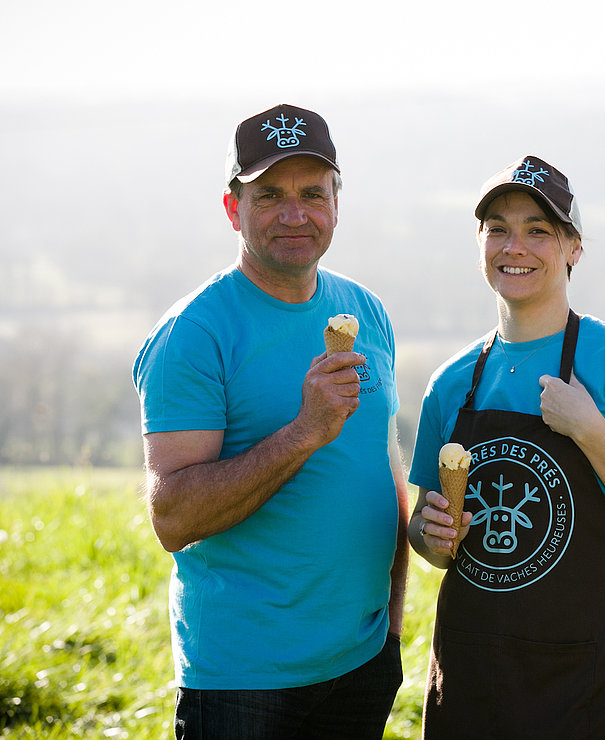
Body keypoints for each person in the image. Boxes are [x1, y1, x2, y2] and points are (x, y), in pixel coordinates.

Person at [132, 103, 408, 738]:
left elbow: (382, 467)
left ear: (337, 202)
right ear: (233, 209)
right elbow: (174, 517)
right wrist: (305, 431)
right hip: (243, 683)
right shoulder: (194, 334)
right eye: (270, 195)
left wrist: (391, 625)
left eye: (313, 192)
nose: (295, 213)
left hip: (361, 661)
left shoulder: (365, 310)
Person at [406, 155, 605, 738]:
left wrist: (591, 431)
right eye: (498, 229)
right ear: (480, 244)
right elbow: (426, 532)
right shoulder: (453, 382)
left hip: (587, 686)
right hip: (471, 681)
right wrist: (431, 535)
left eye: (538, 230)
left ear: (573, 248)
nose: (515, 246)